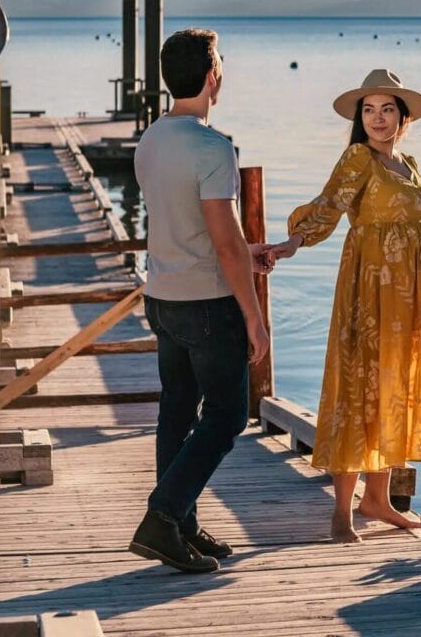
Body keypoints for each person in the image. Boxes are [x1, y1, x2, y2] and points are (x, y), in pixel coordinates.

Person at [270, 68, 421, 543]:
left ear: (403, 118)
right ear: (360, 119)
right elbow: (330, 205)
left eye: (387, 109)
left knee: (395, 387)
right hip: (370, 289)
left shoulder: (411, 164)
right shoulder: (359, 158)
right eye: (369, 110)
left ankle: (377, 501)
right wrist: (294, 241)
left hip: (412, 301)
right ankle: (341, 510)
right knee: (359, 386)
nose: (377, 118)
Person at [128, 28, 271, 573]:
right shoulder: (213, 147)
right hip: (208, 306)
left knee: (178, 410)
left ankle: (179, 525)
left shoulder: (151, 139)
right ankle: (163, 512)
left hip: (163, 297)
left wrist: (245, 251)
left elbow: (186, 225)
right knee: (227, 416)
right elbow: (224, 240)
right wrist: (254, 320)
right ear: (214, 76)